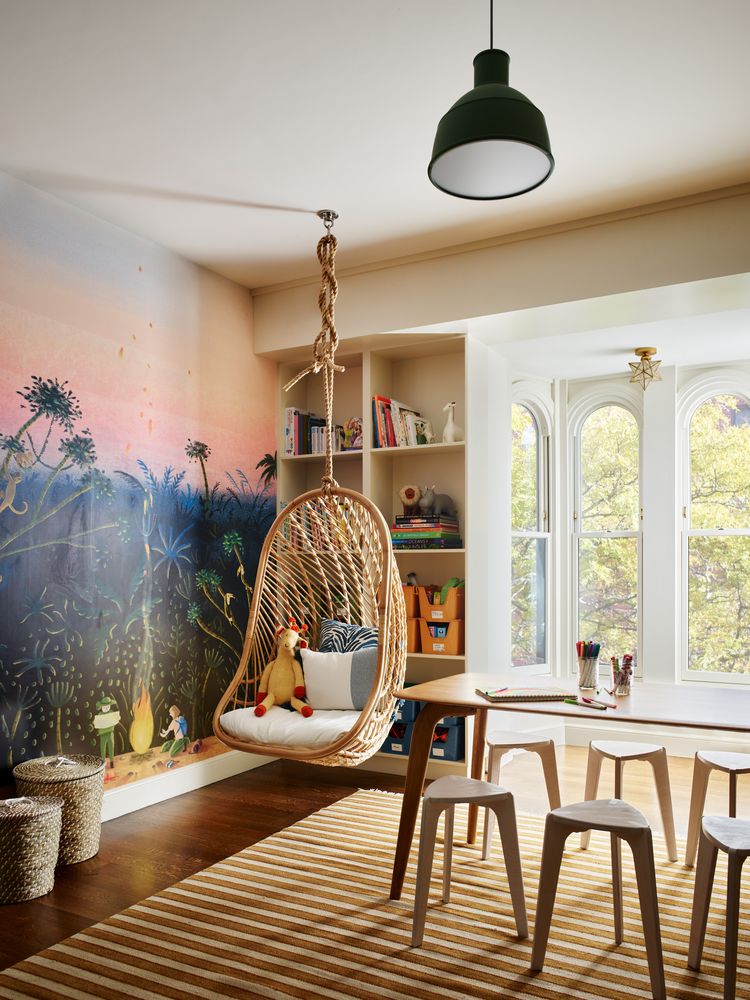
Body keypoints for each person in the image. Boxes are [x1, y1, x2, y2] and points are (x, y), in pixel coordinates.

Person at [93, 695, 120, 768]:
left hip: (110, 732)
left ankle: (111, 761)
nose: (106, 708)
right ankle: (103, 762)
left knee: (111, 746)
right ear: (101, 707)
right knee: (103, 747)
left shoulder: (111, 712)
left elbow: (117, 719)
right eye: (105, 707)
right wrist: (96, 723)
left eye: (108, 707)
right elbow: (96, 723)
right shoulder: (100, 714)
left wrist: (117, 717)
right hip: (103, 734)